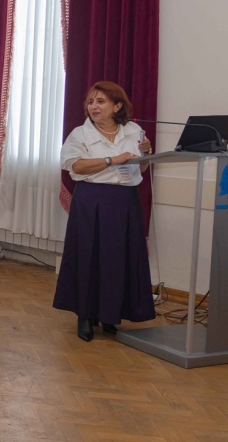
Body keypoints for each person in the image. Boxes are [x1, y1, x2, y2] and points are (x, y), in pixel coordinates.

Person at [53, 82, 155, 342]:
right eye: (91, 102)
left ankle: (111, 314)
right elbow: (75, 166)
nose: (93, 107)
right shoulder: (80, 134)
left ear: (117, 106)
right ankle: (85, 316)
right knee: (89, 257)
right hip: (92, 200)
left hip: (125, 201)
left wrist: (146, 154)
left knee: (119, 259)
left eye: (100, 101)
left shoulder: (134, 131)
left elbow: (140, 169)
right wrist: (112, 160)